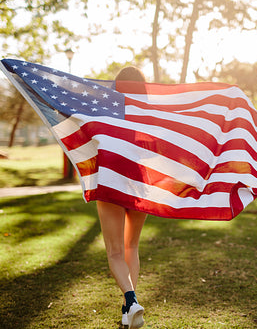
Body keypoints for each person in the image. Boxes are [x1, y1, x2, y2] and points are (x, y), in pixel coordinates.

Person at [97, 66, 147, 328]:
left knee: (115, 251)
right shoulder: (148, 112)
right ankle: (129, 309)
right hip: (139, 178)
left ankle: (130, 300)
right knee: (132, 247)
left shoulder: (104, 108)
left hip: (110, 177)